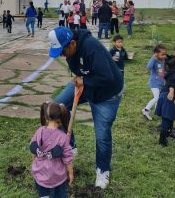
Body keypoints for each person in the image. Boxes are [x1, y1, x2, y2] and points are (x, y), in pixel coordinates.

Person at [48, 27, 123, 189]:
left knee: (102, 135)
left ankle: (103, 170)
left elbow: (107, 77)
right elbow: (79, 71)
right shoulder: (70, 52)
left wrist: (85, 81)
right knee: (57, 107)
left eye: (62, 51)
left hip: (107, 94)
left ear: (73, 43)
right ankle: (71, 146)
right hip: (88, 86)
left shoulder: (91, 47)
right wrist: (81, 77)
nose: (62, 55)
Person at [30, 102, 74, 198]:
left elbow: (33, 149)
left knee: (44, 195)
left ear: (46, 117)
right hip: (57, 176)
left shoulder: (39, 131)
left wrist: (34, 165)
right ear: (61, 119)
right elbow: (68, 159)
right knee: (60, 195)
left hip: (40, 173)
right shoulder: (63, 137)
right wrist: (70, 173)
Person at [141, 44, 167, 121]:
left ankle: (157, 111)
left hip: (161, 83)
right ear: (156, 54)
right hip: (154, 83)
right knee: (156, 97)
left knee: (159, 98)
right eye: (162, 54)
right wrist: (153, 58)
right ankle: (146, 110)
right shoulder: (155, 60)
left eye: (165, 54)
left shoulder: (164, 61)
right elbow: (148, 67)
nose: (164, 56)